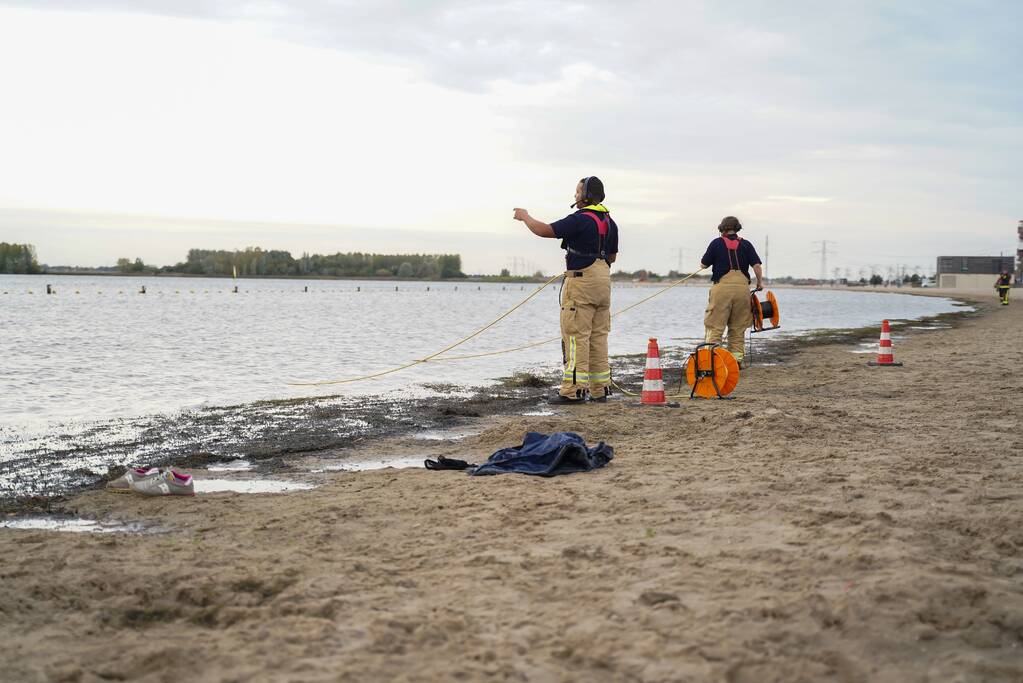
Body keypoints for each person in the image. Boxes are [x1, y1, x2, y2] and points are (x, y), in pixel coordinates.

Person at [513, 177, 619, 404]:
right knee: (599, 337)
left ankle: (573, 391)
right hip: (603, 283)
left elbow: (544, 231)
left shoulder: (580, 220)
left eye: (578, 192)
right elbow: (612, 257)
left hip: (581, 283)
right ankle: (600, 389)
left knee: (575, 337)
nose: (575, 196)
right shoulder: (611, 222)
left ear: (586, 195)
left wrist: (525, 216)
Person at [699, 216, 763, 366]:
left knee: (715, 326)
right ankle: (735, 362)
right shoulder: (746, 244)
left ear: (721, 228)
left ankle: (712, 362)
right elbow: (757, 267)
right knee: (738, 328)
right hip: (742, 290)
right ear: (737, 228)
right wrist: (759, 283)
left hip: (722, 289)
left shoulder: (716, 243)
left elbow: (703, 265)